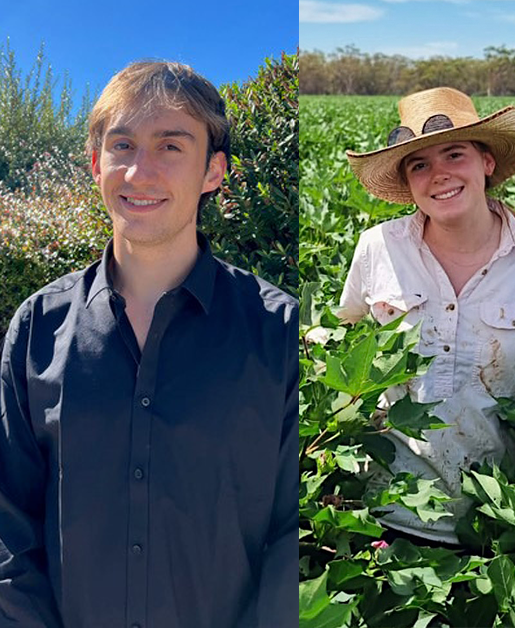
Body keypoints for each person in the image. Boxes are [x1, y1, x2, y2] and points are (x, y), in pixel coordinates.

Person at [0, 61, 298, 628]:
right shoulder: (38, 327)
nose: (140, 172)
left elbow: (289, 536)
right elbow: (7, 522)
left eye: (170, 146)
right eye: (123, 145)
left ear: (214, 172)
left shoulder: (278, 332)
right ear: (96, 164)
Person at [340, 87, 515, 545]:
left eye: (453, 154)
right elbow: (344, 357)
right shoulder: (377, 248)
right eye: (419, 164)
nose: (438, 175)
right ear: (409, 181)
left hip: (497, 518)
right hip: (382, 509)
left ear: (486, 162)